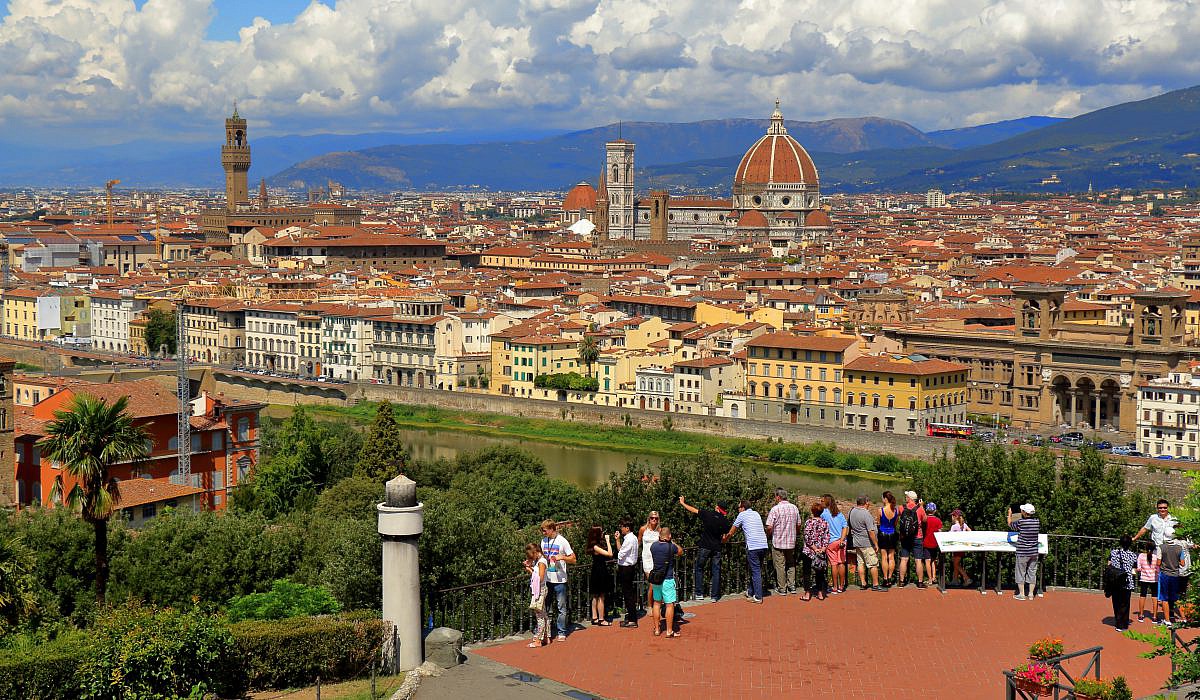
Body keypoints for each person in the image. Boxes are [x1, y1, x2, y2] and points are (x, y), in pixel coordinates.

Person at [679, 495, 728, 600]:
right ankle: (714, 596)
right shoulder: (725, 521)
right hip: (717, 547)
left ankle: (699, 593)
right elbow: (724, 537)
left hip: (705, 545)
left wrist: (683, 503)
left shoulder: (708, 514)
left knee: (699, 568)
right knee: (716, 571)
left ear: (717, 507)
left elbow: (694, 510)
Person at [724, 499, 769, 603]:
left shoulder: (742, 515)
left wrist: (725, 540)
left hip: (753, 546)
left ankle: (758, 596)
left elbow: (732, 530)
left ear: (743, 508)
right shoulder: (756, 513)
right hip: (763, 545)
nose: (738, 509)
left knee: (755, 571)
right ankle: (750, 591)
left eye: (739, 507)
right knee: (756, 570)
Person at [540, 519, 577, 641]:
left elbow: (574, 559)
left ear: (551, 529)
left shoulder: (562, 541)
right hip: (547, 579)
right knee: (545, 607)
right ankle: (545, 631)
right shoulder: (543, 541)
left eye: (544, 530)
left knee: (561, 607)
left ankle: (561, 631)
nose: (543, 533)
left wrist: (562, 557)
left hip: (560, 580)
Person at [649, 526, 683, 637]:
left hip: (656, 579)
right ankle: (669, 631)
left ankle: (657, 629)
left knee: (656, 603)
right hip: (667, 579)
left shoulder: (653, 546)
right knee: (669, 605)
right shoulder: (671, 547)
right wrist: (672, 542)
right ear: (669, 536)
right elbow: (680, 551)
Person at [766, 488, 801, 595]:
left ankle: (782, 588)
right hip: (791, 541)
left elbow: (769, 526)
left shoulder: (775, 509)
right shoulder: (794, 508)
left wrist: (769, 534)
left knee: (780, 565)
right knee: (791, 563)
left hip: (778, 542)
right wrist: (796, 533)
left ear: (778, 497)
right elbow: (799, 524)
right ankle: (792, 586)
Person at [848, 494, 885, 591]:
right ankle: (876, 584)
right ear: (866, 502)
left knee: (860, 562)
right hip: (867, 543)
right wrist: (876, 544)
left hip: (857, 542)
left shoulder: (852, 511)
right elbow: (871, 531)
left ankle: (863, 583)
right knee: (873, 563)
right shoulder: (866, 514)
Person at [1158, 527, 1191, 626]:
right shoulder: (1179, 548)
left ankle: (1167, 620)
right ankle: (1183, 617)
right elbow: (1182, 563)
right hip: (1175, 575)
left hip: (1165, 574)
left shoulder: (1161, 547)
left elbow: (1158, 562)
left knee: (1164, 598)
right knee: (1177, 597)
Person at [1008, 503, 1040, 601]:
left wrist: (1009, 514)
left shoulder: (1021, 522)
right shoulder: (1037, 522)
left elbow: (1010, 525)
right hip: (1034, 551)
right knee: (1032, 572)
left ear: (1024, 512)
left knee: (1020, 572)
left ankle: (1021, 594)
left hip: (1022, 551)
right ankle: (1030, 594)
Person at [896, 490, 928, 588]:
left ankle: (901, 581)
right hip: (917, 536)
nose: (905, 498)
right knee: (918, 560)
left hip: (905, 537)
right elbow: (925, 519)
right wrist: (921, 506)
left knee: (904, 559)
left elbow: (897, 516)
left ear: (909, 498)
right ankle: (920, 582)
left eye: (906, 497)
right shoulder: (919, 509)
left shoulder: (902, 507)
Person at [801, 500, 830, 600]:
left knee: (807, 572)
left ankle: (807, 593)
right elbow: (827, 537)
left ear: (812, 511)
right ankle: (820, 593)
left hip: (809, 551)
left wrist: (814, 548)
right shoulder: (825, 523)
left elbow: (807, 536)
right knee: (820, 572)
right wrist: (823, 548)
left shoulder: (809, 522)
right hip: (821, 552)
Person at [1108, 534, 1138, 632]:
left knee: (1116, 602)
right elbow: (1134, 569)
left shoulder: (1113, 553)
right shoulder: (1133, 555)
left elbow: (1109, 564)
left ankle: (1118, 622)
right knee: (1125, 603)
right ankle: (1124, 623)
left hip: (1115, 580)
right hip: (1127, 581)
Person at [586, 526, 614, 626]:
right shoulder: (596, 547)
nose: (602, 534)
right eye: (601, 532)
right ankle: (601, 619)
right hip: (600, 571)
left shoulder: (594, 546)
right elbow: (610, 554)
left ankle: (594, 617)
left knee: (595, 595)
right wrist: (608, 541)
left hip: (596, 571)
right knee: (601, 595)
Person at [821, 494, 849, 594]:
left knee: (833, 564)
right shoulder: (839, 514)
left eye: (822, 501)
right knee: (841, 563)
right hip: (841, 542)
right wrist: (842, 539)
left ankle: (834, 587)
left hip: (831, 541)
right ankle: (841, 586)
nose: (821, 503)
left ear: (826, 502)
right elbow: (845, 527)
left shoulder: (824, 514)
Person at [615, 519, 640, 628]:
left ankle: (632, 620)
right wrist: (618, 540)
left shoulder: (629, 539)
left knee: (628, 594)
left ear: (627, 528)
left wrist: (617, 543)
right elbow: (622, 550)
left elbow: (620, 554)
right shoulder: (633, 538)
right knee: (628, 593)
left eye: (622, 527)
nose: (621, 529)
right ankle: (631, 617)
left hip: (626, 568)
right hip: (630, 567)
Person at [524, 542, 550, 648]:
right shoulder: (540, 561)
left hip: (540, 590)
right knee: (543, 614)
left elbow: (540, 577)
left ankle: (538, 640)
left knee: (539, 616)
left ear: (535, 552)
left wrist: (529, 569)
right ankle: (547, 637)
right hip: (541, 589)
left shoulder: (541, 562)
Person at [639, 511, 661, 611]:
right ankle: (649, 605)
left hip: (657, 559)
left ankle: (657, 604)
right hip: (647, 559)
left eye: (656, 518)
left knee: (657, 583)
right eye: (652, 518)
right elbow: (638, 542)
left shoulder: (660, 530)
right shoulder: (643, 529)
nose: (654, 520)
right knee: (652, 582)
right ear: (649, 519)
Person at [878, 491, 899, 586]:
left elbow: (879, 523)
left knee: (884, 557)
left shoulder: (881, 510)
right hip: (892, 533)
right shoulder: (896, 510)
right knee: (891, 557)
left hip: (883, 533)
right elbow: (895, 524)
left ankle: (885, 578)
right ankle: (890, 578)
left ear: (885, 499)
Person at [1136, 540, 1161, 624]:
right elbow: (1158, 569)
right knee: (1154, 597)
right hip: (1154, 579)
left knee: (1142, 595)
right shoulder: (1156, 557)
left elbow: (1138, 568)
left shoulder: (1141, 556)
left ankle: (1141, 615)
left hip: (1144, 578)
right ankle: (1154, 616)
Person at [949, 509, 974, 588]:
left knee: (956, 564)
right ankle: (955, 580)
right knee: (956, 563)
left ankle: (967, 578)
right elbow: (970, 532)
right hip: (962, 547)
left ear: (955, 517)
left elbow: (949, 535)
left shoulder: (954, 526)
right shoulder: (964, 525)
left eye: (952, 516)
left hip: (956, 547)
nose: (951, 518)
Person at [921, 502, 943, 587]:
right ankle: (934, 577)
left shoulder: (925, 520)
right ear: (935, 510)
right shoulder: (938, 520)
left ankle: (930, 578)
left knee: (927, 560)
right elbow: (940, 530)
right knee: (934, 560)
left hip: (926, 542)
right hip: (935, 542)